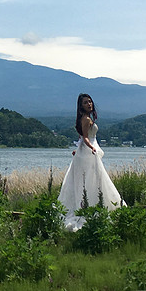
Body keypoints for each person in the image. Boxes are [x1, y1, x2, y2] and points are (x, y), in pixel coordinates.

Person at [57, 93, 123, 231]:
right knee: (92, 180)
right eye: (86, 102)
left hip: (84, 152)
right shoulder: (86, 119)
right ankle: (92, 205)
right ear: (81, 106)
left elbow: (82, 138)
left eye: (90, 102)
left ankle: (90, 204)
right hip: (88, 153)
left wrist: (80, 148)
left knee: (90, 180)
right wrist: (91, 147)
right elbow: (86, 138)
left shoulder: (86, 118)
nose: (89, 104)